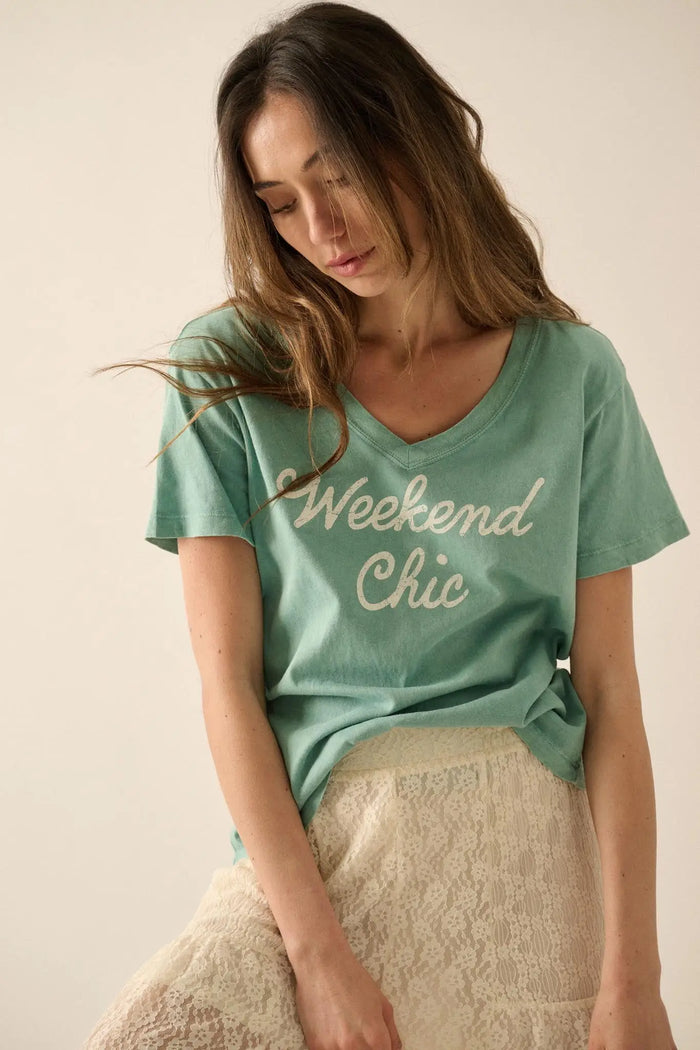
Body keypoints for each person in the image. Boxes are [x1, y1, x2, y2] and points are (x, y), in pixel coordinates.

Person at [82, 3, 688, 1048]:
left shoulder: (572, 375)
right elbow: (227, 687)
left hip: (524, 853)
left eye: (341, 176)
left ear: (419, 142)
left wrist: (633, 980)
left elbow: (609, 691)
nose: (320, 229)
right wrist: (316, 955)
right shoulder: (229, 375)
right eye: (280, 202)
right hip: (320, 854)